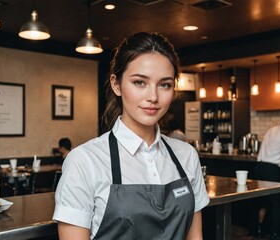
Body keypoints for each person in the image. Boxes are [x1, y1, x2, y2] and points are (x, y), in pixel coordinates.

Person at [53, 32, 209, 240]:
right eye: (139, 82)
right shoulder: (84, 161)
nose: (153, 97)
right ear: (116, 85)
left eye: (164, 85)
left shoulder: (187, 156)